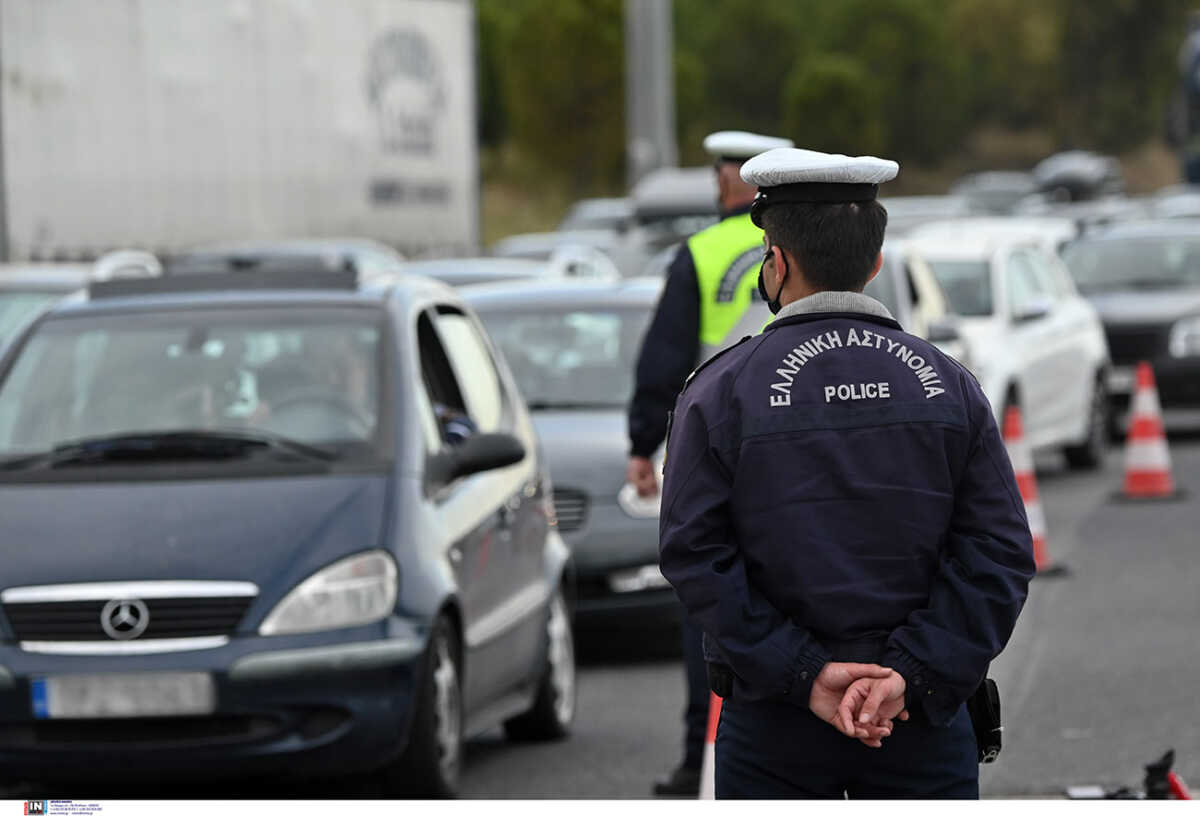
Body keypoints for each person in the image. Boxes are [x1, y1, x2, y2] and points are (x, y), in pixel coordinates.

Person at [657, 147, 1036, 799]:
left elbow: (695, 556)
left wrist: (806, 675)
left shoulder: (719, 394)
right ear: (876, 262)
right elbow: (999, 554)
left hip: (774, 727)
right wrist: (908, 674)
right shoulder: (951, 388)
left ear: (775, 263)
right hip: (920, 723)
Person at [627, 130, 793, 797]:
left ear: (732, 181)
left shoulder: (698, 253)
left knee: (713, 605)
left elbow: (665, 360)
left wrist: (643, 444)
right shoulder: (818, 242)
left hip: (718, 449)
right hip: (803, 447)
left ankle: (706, 761)